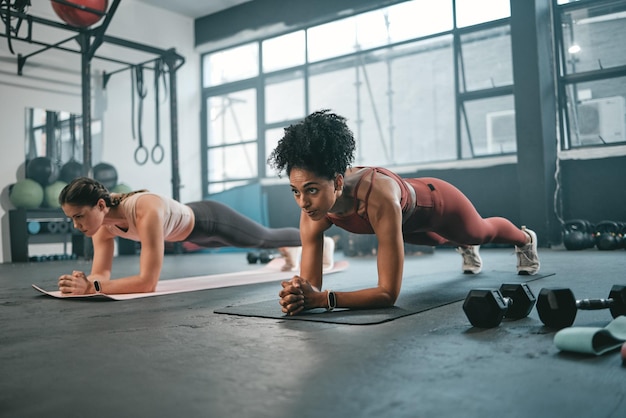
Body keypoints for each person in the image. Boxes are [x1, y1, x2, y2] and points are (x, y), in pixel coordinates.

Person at [267, 109, 540, 316]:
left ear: (338, 182)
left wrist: (325, 299)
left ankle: (524, 239)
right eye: (295, 191)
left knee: (480, 232)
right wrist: (299, 295)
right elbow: (310, 289)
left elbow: (387, 294)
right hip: (408, 226)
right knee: (438, 240)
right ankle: (463, 245)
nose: (302, 202)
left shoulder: (377, 198)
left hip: (439, 204)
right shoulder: (312, 211)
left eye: (312, 190)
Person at [56, 177, 334, 295]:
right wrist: (84, 282)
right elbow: (101, 274)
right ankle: (292, 249)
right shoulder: (101, 226)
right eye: (71, 219)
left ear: (101, 206)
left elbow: (148, 282)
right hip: (192, 236)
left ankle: (319, 238)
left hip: (210, 221)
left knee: (264, 238)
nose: (76, 225)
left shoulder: (144, 210)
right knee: (265, 239)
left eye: (79, 216)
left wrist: (93, 288)